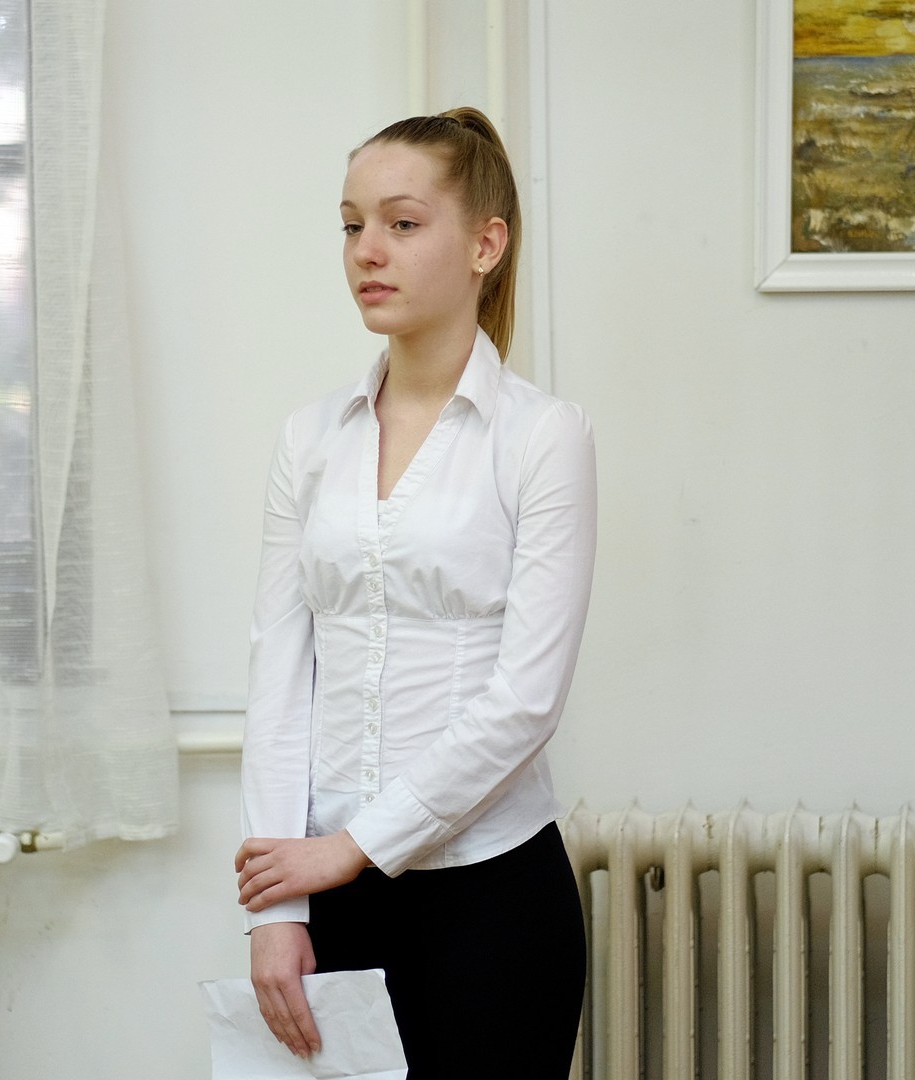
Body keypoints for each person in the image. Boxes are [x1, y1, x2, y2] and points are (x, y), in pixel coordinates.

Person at [233, 106, 597, 1079]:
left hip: (493, 901)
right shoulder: (309, 439)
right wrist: (276, 910)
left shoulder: (544, 437)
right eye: (352, 225)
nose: (367, 251)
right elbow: (279, 678)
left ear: (486, 244)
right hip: (324, 896)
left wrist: (355, 845)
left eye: (402, 223)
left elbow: (527, 700)